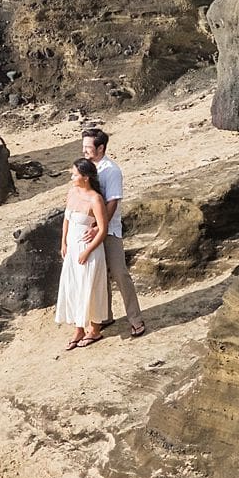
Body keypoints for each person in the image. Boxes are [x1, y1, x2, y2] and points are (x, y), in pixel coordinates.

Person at [80, 126, 145, 337]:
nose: (84, 151)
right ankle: (104, 316)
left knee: (119, 274)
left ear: (101, 148)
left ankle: (135, 318)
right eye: (84, 147)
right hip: (89, 229)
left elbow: (113, 201)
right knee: (97, 274)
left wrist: (101, 226)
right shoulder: (87, 167)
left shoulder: (111, 170)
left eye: (88, 147)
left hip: (109, 231)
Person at [55, 158, 110, 350]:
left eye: (75, 174)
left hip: (90, 250)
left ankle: (94, 329)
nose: (72, 177)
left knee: (90, 287)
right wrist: (63, 242)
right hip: (72, 248)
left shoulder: (95, 199)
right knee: (74, 287)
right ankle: (79, 328)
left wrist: (88, 250)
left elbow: (103, 229)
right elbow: (66, 220)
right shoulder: (72, 192)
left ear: (85, 178)